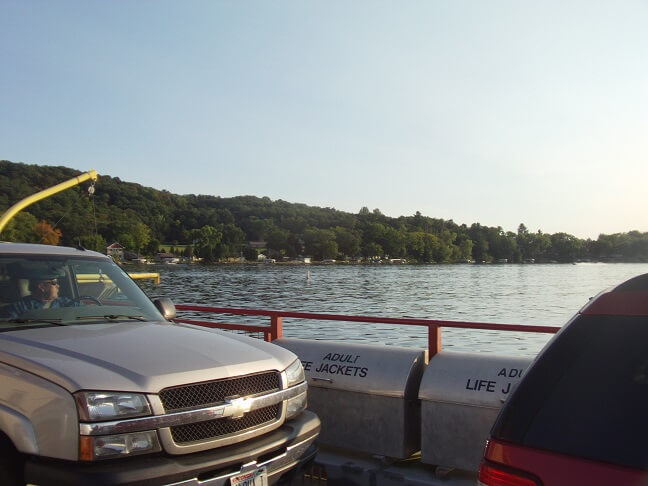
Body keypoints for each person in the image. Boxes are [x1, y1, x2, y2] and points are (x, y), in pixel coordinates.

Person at [4, 275, 78, 319]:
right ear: (42, 287)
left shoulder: (65, 302)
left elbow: (83, 310)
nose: (58, 286)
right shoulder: (20, 307)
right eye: (54, 283)